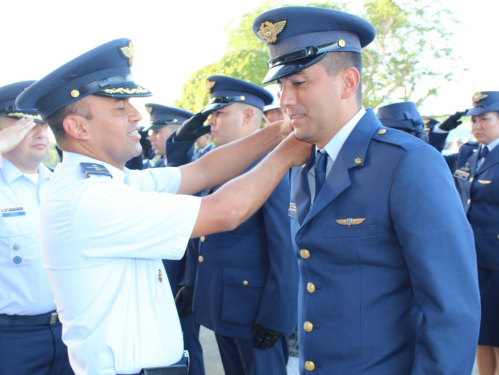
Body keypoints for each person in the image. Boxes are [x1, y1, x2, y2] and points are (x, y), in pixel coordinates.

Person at [15, 38, 311, 375]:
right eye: (119, 107)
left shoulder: (109, 183)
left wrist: (281, 131)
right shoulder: (89, 199)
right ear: (77, 127)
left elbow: (201, 171)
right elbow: (224, 212)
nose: (136, 116)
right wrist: (288, 151)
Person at [252, 6, 480, 374]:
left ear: (347, 81)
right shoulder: (305, 163)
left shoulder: (407, 163)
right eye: (281, 85)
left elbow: (451, 309)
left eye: (299, 83)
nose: (285, 100)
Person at [169, 75, 298, 375]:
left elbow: (284, 246)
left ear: (249, 116)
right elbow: (194, 217)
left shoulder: (271, 162)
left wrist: (277, 314)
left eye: (219, 113)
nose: (211, 121)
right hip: (221, 303)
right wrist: (191, 280)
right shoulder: (217, 161)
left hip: (254, 311)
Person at [0, 81, 73, 374]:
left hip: (71, 332)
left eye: (42, 121)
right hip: (12, 340)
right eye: (24, 122)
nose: (38, 130)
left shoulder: (65, 185)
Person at [429, 92, 499, 375]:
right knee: (480, 329)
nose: (477, 125)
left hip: (496, 261)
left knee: (497, 331)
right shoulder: (469, 153)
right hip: (467, 257)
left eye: (485, 119)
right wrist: (444, 127)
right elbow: (430, 156)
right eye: (473, 120)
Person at [146, 103, 207, 375]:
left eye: (158, 130)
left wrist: (189, 281)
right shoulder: (158, 166)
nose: (152, 136)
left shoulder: (193, 169)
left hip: (180, 278)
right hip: (162, 276)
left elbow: (195, 232)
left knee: (186, 349)